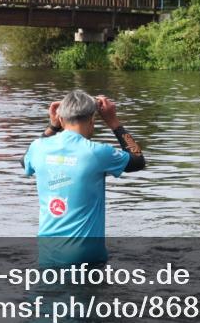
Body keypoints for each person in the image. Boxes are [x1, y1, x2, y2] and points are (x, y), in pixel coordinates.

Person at [22, 89, 147, 265]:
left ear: (61, 119)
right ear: (92, 120)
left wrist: (52, 127)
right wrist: (114, 122)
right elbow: (138, 160)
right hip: (86, 256)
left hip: (48, 255)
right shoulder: (98, 152)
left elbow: (24, 162)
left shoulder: (38, 148)